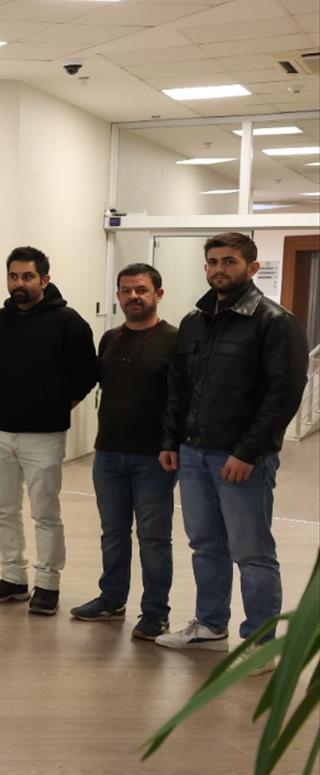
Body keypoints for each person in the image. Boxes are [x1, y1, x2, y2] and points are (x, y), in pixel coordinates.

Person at [157, 232, 308, 656]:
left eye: (229, 261)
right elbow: (178, 387)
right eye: (213, 261)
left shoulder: (275, 322)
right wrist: (171, 440)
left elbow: (283, 395)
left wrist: (248, 452)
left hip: (240, 457)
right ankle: (210, 626)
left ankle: (260, 643)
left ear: (252, 267)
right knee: (206, 545)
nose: (219, 269)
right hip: (193, 453)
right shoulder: (194, 321)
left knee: (252, 551)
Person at [0, 245, 98, 616]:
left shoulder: (69, 322)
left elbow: (86, 374)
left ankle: (47, 583)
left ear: (45, 279)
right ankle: (13, 577)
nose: (19, 283)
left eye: (27, 276)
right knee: (3, 509)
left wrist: (56, 405)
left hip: (44, 435)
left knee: (45, 512)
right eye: (13, 276)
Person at [69, 264, 178, 638]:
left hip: (154, 457)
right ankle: (112, 600)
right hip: (108, 454)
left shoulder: (175, 340)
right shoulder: (110, 339)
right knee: (113, 533)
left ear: (157, 294)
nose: (134, 296)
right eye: (126, 290)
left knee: (154, 538)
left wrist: (171, 444)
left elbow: (180, 399)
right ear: (117, 296)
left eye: (141, 290)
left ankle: (156, 613)